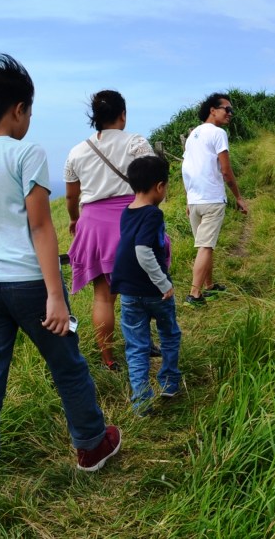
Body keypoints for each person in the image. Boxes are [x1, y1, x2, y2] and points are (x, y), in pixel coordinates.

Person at [0, 54, 121, 524]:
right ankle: (92, 446)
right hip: (28, 284)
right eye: (30, 111)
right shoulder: (26, 153)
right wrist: (56, 295)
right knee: (68, 368)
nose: (30, 120)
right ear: (18, 109)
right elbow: (40, 227)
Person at [64, 90, 155, 370]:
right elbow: (153, 180)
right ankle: (143, 345)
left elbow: (71, 196)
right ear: (122, 115)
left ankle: (109, 359)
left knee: (103, 296)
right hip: (132, 220)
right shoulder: (136, 143)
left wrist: (74, 219)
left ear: (96, 118)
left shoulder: (77, 151)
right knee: (141, 289)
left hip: (93, 224)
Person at [110, 155, 182, 414]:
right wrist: (163, 283)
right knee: (169, 334)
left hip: (128, 291)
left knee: (137, 346)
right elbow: (142, 250)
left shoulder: (127, 212)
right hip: (155, 292)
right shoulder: (153, 214)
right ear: (159, 186)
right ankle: (169, 382)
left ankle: (141, 400)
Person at [181, 92, 248, 306]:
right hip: (212, 198)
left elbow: (186, 169)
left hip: (195, 200)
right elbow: (226, 171)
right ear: (213, 110)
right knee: (206, 247)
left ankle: (209, 286)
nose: (230, 113)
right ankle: (194, 294)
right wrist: (238, 197)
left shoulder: (193, 134)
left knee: (204, 246)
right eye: (227, 109)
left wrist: (188, 199)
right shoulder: (218, 133)